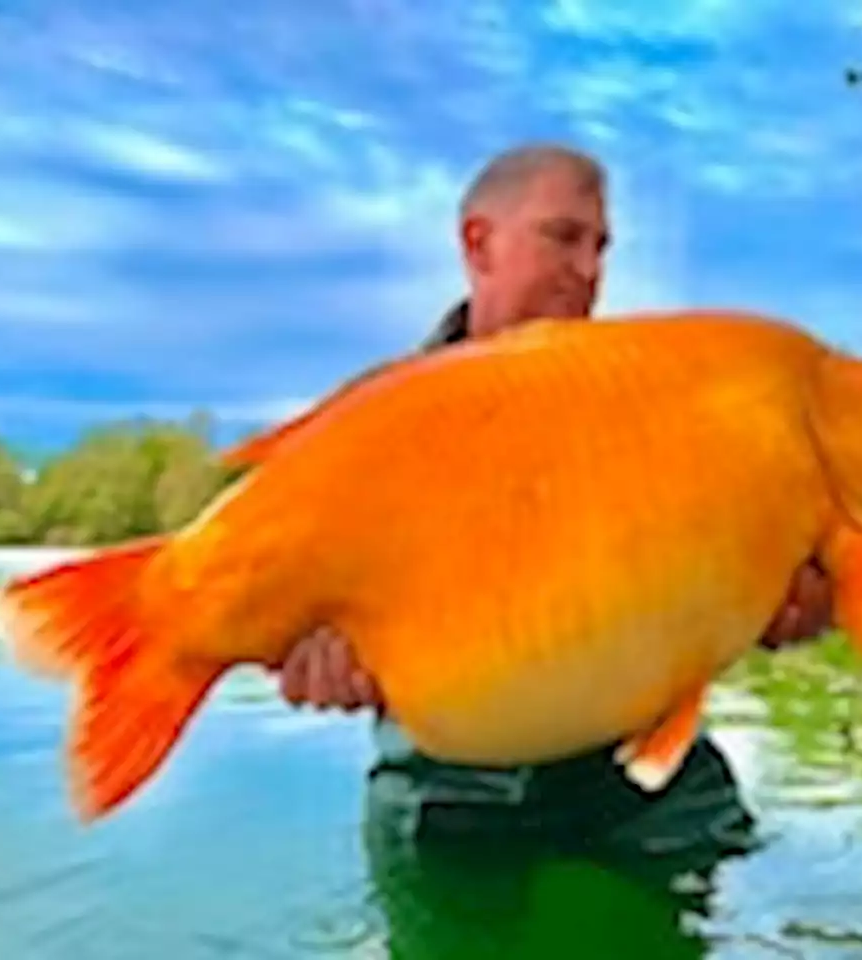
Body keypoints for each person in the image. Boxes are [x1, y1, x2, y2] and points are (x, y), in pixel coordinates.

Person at [279, 142, 833, 867]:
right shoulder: (371, 424)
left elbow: (802, 591)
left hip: (646, 784)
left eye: (601, 246)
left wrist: (805, 605)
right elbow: (294, 613)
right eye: (563, 237)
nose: (590, 271)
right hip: (451, 795)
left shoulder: (655, 407)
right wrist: (312, 654)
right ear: (479, 243)